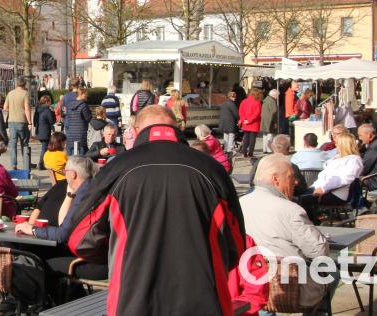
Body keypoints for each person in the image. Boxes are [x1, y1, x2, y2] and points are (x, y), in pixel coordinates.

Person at [66, 106, 245, 315]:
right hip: (203, 297)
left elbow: (79, 238)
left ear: (135, 129)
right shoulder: (212, 169)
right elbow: (237, 245)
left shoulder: (116, 169)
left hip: (133, 297)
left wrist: (118, 254)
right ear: (177, 126)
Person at [241, 154, 331, 309]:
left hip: (251, 285)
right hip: (294, 289)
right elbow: (319, 251)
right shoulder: (291, 210)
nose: (296, 181)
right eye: (291, 176)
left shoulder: (238, 204)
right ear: (275, 179)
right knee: (332, 272)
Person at [306, 132, 363, 207]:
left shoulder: (354, 160)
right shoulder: (339, 157)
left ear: (343, 145)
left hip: (336, 194)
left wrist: (323, 188)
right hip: (325, 188)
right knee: (297, 195)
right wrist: (313, 186)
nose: (335, 145)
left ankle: (311, 218)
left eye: (337, 143)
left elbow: (344, 179)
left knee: (300, 199)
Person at [3, 78, 33, 169]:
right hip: (22, 121)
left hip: (11, 122)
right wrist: (30, 123)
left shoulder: (10, 93)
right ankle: (26, 163)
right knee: (24, 143)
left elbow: (5, 107)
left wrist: (12, 110)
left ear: (17, 84)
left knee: (13, 144)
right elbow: (27, 109)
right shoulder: (25, 94)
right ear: (24, 85)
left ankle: (14, 164)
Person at [64, 87, 92, 156]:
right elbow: (88, 118)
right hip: (81, 132)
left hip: (70, 132)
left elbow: (67, 116)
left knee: (70, 156)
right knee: (81, 157)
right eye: (86, 94)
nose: (87, 96)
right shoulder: (84, 105)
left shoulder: (69, 105)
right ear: (81, 94)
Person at [238, 88, 263, 158]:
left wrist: (244, 120)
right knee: (252, 139)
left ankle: (244, 152)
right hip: (254, 123)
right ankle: (250, 153)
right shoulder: (257, 102)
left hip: (246, 123)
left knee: (246, 138)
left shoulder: (244, 101)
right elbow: (257, 114)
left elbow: (241, 112)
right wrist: (249, 120)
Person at [33, 95, 56, 169]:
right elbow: (52, 121)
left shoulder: (37, 110)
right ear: (46, 102)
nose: (50, 103)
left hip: (39, 131)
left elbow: (34, 121)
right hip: (45, 132)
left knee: (45, 147)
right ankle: (40, 164)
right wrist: (53, 112)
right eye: (50, 101)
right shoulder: (47, 110)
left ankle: (43, 163)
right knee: (44, 148)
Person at [260, 89, 279, 153]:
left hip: (264, 120)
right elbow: (274, 112)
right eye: (277, 95)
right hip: (270, 120)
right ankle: (269, 149)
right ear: (274, 95)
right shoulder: (272, 101)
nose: (277, 97)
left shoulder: (266, 99)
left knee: (265, 135)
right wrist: (275, 122)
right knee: (270, 135)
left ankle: (264, 149)